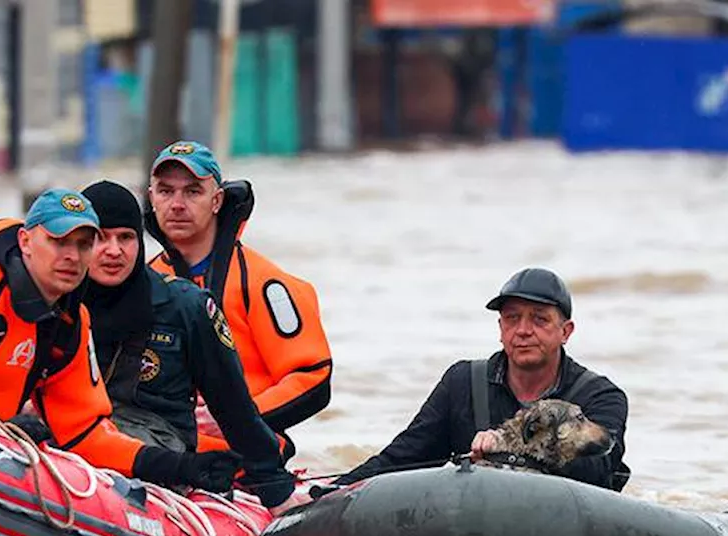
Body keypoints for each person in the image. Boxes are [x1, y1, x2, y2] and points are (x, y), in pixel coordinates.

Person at [0, 188, 241, 491]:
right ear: (25, 241)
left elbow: (86, 434)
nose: (72, 256)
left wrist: (181, 467)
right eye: (59, 242)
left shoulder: (69, 325)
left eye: (83, 244)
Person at [79, 179, 296, 508]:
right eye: (99, 238)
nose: (114, 251)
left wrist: (274, 486)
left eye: (126, 237)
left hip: (157, 439)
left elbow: (233, 406)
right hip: (78, 429)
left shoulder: (186, 306)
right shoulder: (60, 298)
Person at [336, 267, 631, 491]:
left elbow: (599, 471)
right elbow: (403, 458)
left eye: (539, 319)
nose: (524, 330)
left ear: (565, 331)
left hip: (565, 533)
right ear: (500, 328)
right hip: (474, 528)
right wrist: (331, 492)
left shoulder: (601, 397)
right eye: (512, 318)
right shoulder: (462, 382)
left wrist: (508, 448)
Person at [143, 141, 332, 457]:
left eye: (192, 191)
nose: (177, 204)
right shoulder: (143, 283)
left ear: (216, 200)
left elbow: (313, 379)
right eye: (165, 192)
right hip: (162, 449)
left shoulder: (265, 283)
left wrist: (236, 415)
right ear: (151, 198)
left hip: (244, 457)